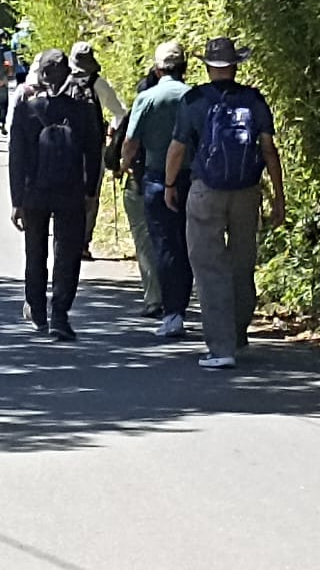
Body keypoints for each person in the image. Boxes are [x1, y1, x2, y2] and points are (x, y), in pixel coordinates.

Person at [165, 37, 285, 369]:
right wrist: (278, 196)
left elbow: (177, 148)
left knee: (209, 268)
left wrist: (170, 184)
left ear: (207, 66)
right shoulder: (253, 100)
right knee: (242, 264)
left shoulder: (194, 100)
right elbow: (269, 150)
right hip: (247, 192)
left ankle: (221, 348)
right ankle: (238, 334)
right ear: (235, 66)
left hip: (206, 190)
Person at [9, 48, 101, 340]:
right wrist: (90, 191)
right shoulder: (82, 110)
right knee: (67, 253)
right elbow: (93, 153)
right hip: (70, 190)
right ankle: (60, 314)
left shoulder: (26, 109)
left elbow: (16, 157)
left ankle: (37, 310)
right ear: (68, 75)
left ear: (41, 76)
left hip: (34, 192)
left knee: (35, 250)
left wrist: (16, 200)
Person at [123, 42, 192, 337]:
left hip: (156, 178)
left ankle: (172, 312)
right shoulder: (194, 97)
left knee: (164, 245)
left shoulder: (147, 98)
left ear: (157, 69)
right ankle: (184, 304)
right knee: (189, 243)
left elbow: (131, 142)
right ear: (185, 67)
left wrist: (125, 164)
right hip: (192, 178)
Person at [113, 65, 165, 318]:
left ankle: (154, 298)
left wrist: (123, 166)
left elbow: (119, 149)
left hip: (141, 183)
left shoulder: (138, 109)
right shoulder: (184, 104)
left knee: (145, 241)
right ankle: (176, 297)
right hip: (179, 182)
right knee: (172, 238)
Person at [67, 42, 125, 260]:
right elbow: (120, 113)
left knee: (67, 191)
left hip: (65, 146)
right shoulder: (98, 83)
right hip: (93, 147)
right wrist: (112, 133)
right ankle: (83, 243)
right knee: (91, 194)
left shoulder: (61, 81)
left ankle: (66, 237)